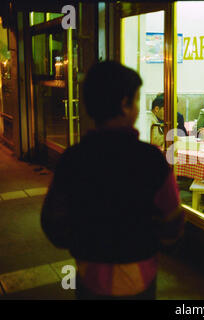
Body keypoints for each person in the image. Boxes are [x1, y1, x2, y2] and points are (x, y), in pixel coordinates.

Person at [40, 61, 184, 300]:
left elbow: (53, 221)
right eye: (137, 100)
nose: (138, 108)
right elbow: (172, 219)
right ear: (125, 104)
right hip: (140, 271)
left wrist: (82, 244)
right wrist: (153, 243)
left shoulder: (73, 158)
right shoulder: (151, 160)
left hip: (90, 272)